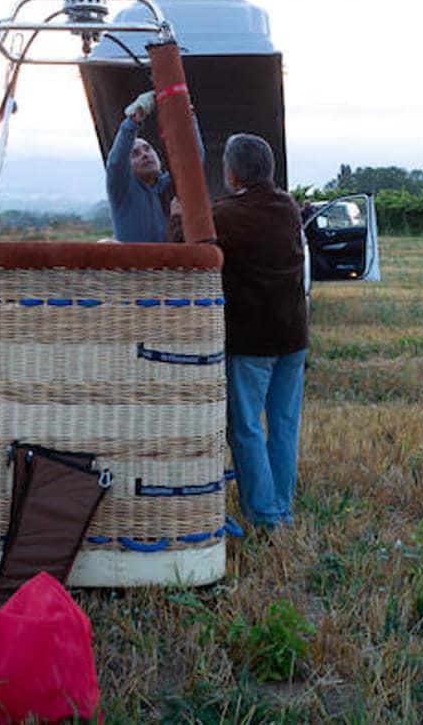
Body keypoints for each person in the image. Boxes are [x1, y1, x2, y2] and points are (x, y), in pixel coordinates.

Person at [173, 133, 308, 528]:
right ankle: (281, 509)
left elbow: (188, 251)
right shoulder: (286, 206)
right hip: (293, 338)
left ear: (231, 174)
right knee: (283, 425)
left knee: (246, 428)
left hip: (254, 342)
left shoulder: (230, 215)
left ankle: (265, 515)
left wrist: (178, 216)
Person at [106, 90, 199, 242]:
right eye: (135, 153)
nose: (144, 154)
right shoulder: (122, 190)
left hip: (171, 264)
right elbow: (116, 163)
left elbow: (193, 161)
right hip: (137, 265)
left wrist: (187, 115)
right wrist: (133, 121)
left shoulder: (168, 185)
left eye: (148, 148)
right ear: (127, 167)